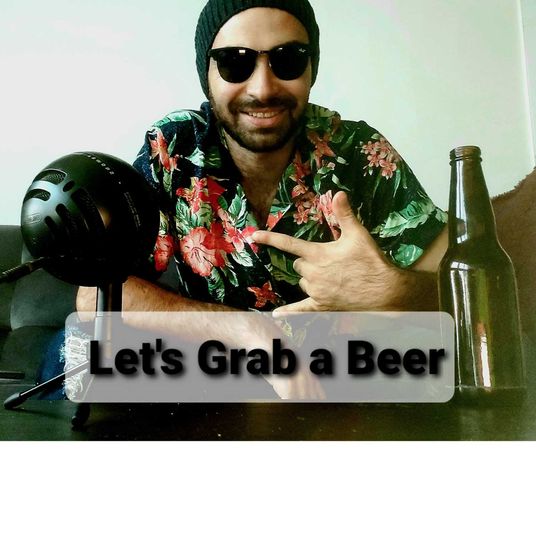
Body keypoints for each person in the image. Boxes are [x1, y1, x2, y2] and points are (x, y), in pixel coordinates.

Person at [76, 0, 448, 398]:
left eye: (288, 60)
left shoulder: (359, 151)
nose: (263, 89)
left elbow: (473, 289)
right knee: (72, 360)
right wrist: (248, 331)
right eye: (234, 63)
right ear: (207, 74)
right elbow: (93, 296)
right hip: (214, 379)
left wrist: (392, 290)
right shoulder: (174, 148)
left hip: (347, 383)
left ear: (311, 68)